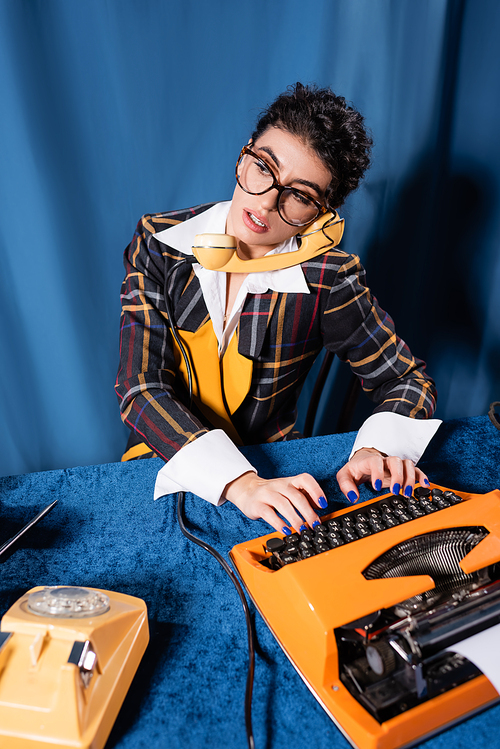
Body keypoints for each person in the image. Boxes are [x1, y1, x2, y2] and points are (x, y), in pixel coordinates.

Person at [115, 82, 441, 535]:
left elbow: (405, 379)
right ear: (244, 154)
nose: (267, 201)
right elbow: (140, 386)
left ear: (322, 214)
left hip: (277, 474)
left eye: (300, 196)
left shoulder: (328, 277)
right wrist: (238, 483)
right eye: (263, 167)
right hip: (162, 458)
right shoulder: (158, 242)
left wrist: (378, 451)